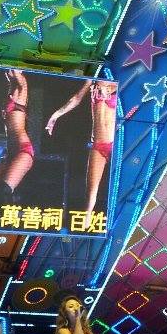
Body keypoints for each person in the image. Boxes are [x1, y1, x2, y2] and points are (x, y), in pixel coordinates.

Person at [45, 80, 117, 226]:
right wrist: (55, 116)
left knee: (119, 189)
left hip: (116, 144)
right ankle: (85, 229)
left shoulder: (119, 81)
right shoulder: (92, 81)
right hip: (98, 146)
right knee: (90, 197)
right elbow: (76, 98)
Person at [0, 69, 34, 205]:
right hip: (11, 154)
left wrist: (15, 69)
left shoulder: (22, 88)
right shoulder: (10, 92)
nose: (8, 72)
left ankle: (9, 218)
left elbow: (21, 81)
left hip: (23, 151)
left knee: (3, 193)